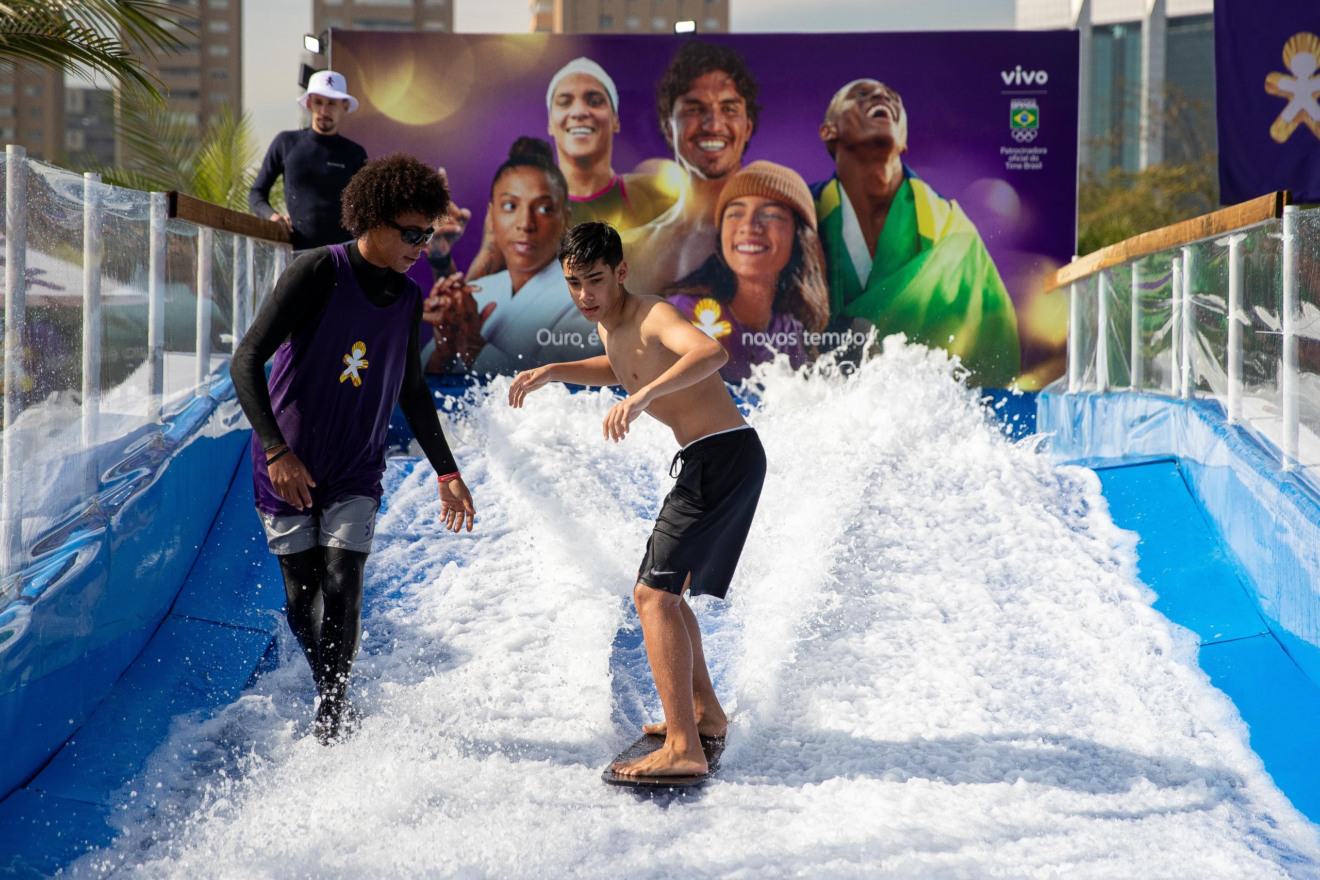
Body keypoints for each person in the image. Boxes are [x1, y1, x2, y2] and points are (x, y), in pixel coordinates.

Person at [232, 153, 476, 743]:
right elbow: (246, 362)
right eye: (412, 233)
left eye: (429, 233)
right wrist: (274, 450)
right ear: (373, 219)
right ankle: (329, 686)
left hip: (355, 470)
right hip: (288, 467)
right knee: (301, 601)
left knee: (343, 583)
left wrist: (447, 471)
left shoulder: (408, 298)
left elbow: (413, 392)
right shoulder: (316, 270)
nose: (422, 245)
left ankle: (333, 713)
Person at [508, 222, 766, 778]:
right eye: (574, 283)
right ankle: (704, 717)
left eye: (595, 281)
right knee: (667, 594)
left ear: (621, 271)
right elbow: (624, 366)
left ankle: (683, 748)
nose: (585, 295)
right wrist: (554, 372)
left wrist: (645, 396)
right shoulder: (611, 324)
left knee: (652, 596)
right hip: (720, 458)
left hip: (721, 457)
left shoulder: (653, 313)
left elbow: (710, 352)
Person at [814, 78, 1020, 388]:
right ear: (828, 131)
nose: (881, 97)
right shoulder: (801, 214)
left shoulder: (954, 234)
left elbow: (994, 348)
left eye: (890, 97)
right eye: (861, 95)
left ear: (904, 139)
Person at [466, 57, 675, 281]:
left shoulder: (651, 194)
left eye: (594, 101)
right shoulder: (520, 203)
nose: (579, 112)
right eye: (565, 102)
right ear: (550, 123)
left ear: (615, 120)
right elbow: (474, 297)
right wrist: (442, 261)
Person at [429, 138, 603, 375]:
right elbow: (424, 381)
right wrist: (445, 351)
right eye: (510, 206)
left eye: (543, 209)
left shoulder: (587, 299)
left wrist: (471, 344)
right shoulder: (478, 291)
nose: (525, 224)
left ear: (565, 219)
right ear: (492, 217)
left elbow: (566, 399)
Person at [664, 160, 830, 383]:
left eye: (771, 214)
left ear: (800, 238)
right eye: (735, 214)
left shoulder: (792, 332)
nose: (750, 225)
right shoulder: (683, 312)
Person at [620, 41, 762, 297]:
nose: (713, 124)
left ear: (747, 127)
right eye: (694, 109)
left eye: (729, 109)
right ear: (668, 127)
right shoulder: (630, 250)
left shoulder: (773, 236)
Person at [249, 70, 368, 251]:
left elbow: (371, 205)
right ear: (309, 103)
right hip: (297, 254)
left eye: (331, 103)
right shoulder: (285, 142)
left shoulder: (355, 153)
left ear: (344, 106)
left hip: (344, 254)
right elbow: (257, 192)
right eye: (318, 102)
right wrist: (271, 216)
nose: (324, 110)